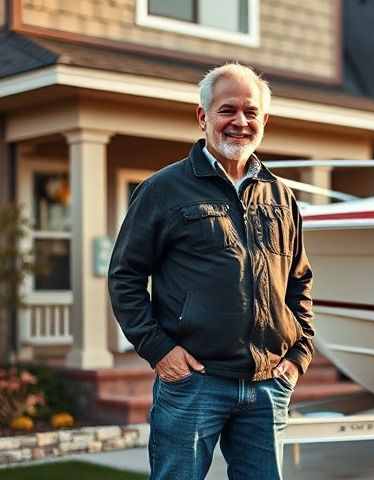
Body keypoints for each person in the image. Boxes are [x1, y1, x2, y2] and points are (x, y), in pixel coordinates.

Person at [108, 63, 314, 480]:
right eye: (227, 110)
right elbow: (125, 276)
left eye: (251, 112)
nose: (240, 122)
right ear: (203, 117)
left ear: (264, 121)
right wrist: (158, 349)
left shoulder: (280, 196)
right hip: (194, 384)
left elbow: (299, 282)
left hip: (267, 384)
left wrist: (298, 356)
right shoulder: (163, 190)